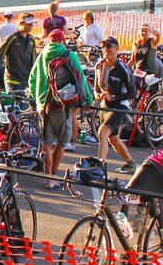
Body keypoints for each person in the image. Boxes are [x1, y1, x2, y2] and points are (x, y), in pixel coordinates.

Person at [29, 28, 93, 189]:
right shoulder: (69, 55)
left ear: (50, 41)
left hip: (43, 105)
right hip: (62, 105)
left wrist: (36, 98)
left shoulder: (42, 55)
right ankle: (54, 176)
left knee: (46, 143)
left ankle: (48, 179)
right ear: (63, 40)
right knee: (62, 143)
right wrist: (88, 100)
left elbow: (32, 79)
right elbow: (81, 79)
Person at [94, 37, 137, 173]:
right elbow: (97, 87)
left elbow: (133, 93)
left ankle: (99, 168)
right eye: (103, 47)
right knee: (113, 139)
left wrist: (113, 97)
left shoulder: (122, 69)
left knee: (102, 132)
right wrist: (97, 95)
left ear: (116, 49)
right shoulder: (100, 65)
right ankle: (131, 163)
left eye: (109, 47)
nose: (105, 50)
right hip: (106, 104)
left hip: (120, 105)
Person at [0, 13, 36, 92]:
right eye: (29, 23)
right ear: (21, 23)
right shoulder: (12, 38)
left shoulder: (31, 40)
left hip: (27, 81)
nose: (31, 25)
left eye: (32, 23)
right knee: (19, 104)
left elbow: (33, 61)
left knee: (29, 104)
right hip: (13, 81)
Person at [0, 11, 15, 92]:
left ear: (4, 17)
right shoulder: (15, 28)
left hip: (1, 54)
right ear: (12, 17)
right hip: (11, 54)